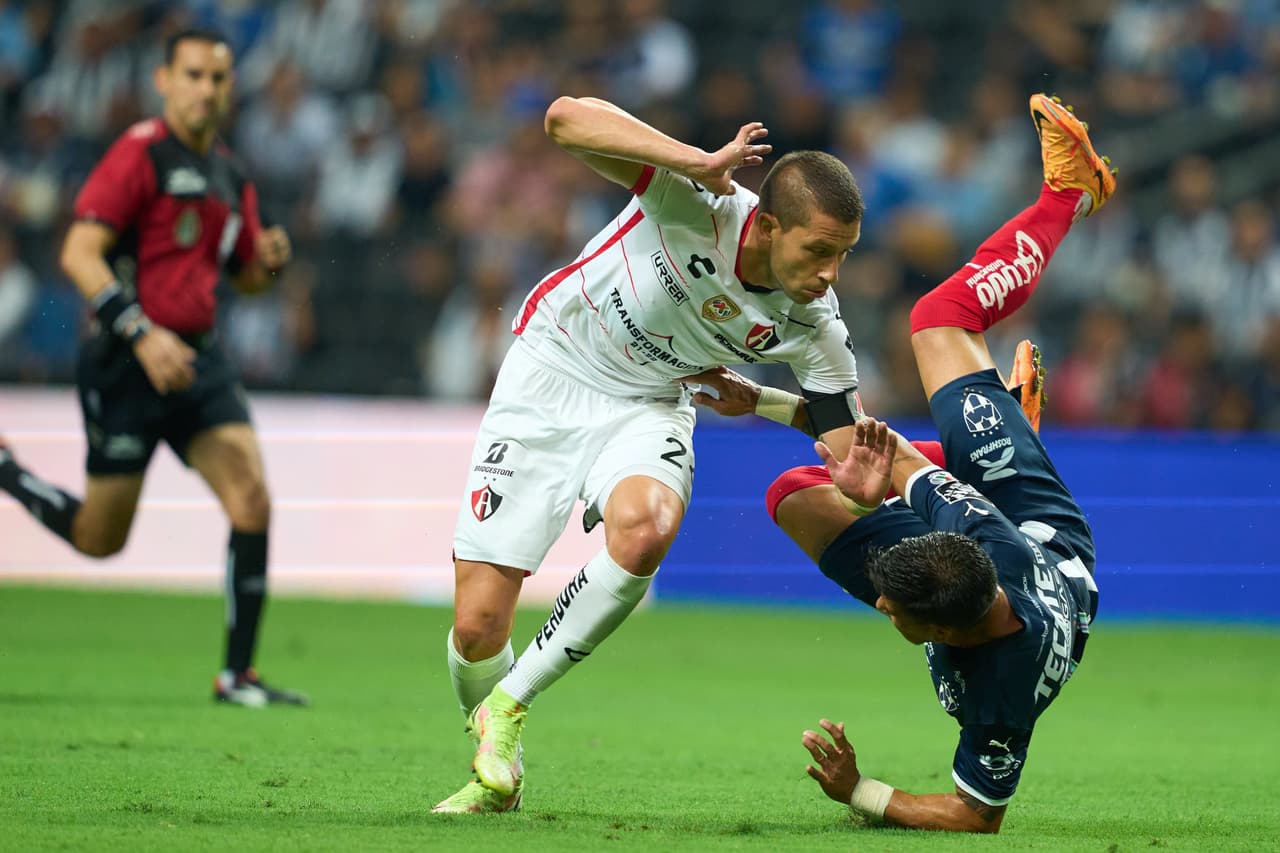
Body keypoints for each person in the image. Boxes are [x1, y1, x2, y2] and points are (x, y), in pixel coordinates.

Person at [433, 96, 869, 813]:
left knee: (646, 528)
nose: (829, 274)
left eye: (843, 255)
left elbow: (846, 443)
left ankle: (509, 706)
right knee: (478, 627)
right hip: (553, 369)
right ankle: (493, 744)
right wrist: (693, 159)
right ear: (766, 222)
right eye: (818, 250)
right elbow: (563, 119)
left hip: (652, 401)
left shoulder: (815, 325)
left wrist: (758, 400)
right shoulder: (698, 200)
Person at [696, 93, 1113, 832]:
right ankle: (1071, 194)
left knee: (797, 493)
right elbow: (978, 819)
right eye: (892, 604)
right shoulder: (995, 658)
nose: (881, 604)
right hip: (1037, 528)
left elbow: (969, 812)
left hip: (992, 544)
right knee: (937, 319)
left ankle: (996, 426)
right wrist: (866, 795)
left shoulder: (982, 654)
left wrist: (760, 402)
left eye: (891, 604)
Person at [0, 28, 305, 708]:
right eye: (193, 75)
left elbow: (244, 276)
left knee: (251, 498)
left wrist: (266, 265)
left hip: (199, 359)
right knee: (100, 539)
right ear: (164, 80)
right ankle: (8, 473)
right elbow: (80, 253)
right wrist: (140, 332)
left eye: (218, 78)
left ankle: (238, 676)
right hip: (126, 363)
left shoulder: (231, 173)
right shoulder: (138, 154)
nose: (207, 89)